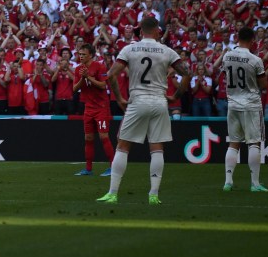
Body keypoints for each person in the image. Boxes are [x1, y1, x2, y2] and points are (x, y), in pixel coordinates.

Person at [99, 18, 191, 205]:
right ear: (158, 31)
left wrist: (119, 98)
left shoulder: (129, 49)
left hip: (137, 100)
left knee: (123, 147)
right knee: (157, 148)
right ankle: (154, 194)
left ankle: (112, 193)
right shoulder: (167, 51)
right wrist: (175, 96)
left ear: (141, 31)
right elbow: (187, 73)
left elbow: (111, 75)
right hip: (159, 101)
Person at [221, 27, 268, 192]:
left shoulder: (227, 56)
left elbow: (225, 76)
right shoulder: (255, 60)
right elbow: (263, 85)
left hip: (233, 103)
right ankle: (255, 184)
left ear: (237, 37)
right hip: (250, 104)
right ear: (252, 40)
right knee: (254, 143)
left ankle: (228, 181)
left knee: (233, 143)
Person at [72, 44, 115, 177]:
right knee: (88, 138)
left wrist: (89, 77)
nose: (81, 56)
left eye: (83, 54)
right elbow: (74, 89)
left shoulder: (99, 66)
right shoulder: (78, 69)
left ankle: (113, 167)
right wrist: (83, 78)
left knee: (103, 136)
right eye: (80, 54)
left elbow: (103, 85)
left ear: (90, 55)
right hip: (88, 107)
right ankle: (88, 169)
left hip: (101, 107)